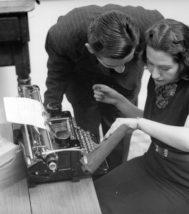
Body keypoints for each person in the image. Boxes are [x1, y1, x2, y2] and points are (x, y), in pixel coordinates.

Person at [93, 19, 189, 214]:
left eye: (165, 68)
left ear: (185, 62)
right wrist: (119, 101)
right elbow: (156, 122)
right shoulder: (158, 79)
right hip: (153, 164)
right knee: (93, 196)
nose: (155, 74)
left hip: (187, 185)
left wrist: (139, 123)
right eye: (150, 63)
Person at [43, 4, 164, 171]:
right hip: (81, 75)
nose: (121, 69)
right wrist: (50, 111)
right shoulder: (62, 35)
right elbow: (56, 76)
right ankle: (90, 174)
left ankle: (114, 173)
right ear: (90, 49)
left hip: (126, 82)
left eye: (125, 60)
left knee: (120, 128)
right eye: (114, 64)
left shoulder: (152, 26)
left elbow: (170, 60)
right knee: (86, 127)